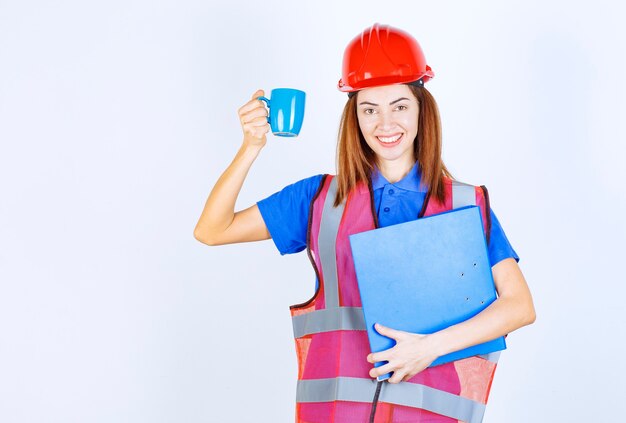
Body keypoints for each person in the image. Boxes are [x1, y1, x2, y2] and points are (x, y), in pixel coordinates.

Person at [194, 23, 535, 423]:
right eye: (369, 109)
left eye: (400, 105)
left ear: (422, 109)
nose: (385, 123)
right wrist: (251, 147)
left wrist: (428, 348)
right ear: (354, 116)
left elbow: (519, 306)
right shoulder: (320, 198)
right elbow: (212, 230)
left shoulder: (465, 204)